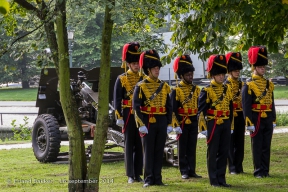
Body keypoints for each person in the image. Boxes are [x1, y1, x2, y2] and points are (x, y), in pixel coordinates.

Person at [132, 49, 173, 187]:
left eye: (158, 68)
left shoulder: (164, 86)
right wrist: (141, 124)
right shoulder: (141, 86)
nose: (157, 70)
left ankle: (158, 178)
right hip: (148, 121)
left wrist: (169, 123)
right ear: (148, 70)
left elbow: (169, 106)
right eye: (154, 68)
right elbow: (136, 107)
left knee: (159, 150)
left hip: (161, 120)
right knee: (148, 151)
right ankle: (149, 179)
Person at [197, 54, 233, 187]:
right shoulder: (206, 90)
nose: (221, 76)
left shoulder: (227, 89)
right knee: (213, 153)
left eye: (223, 74)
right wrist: (203, 127)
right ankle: (213, 180)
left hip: (225, 122)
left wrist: (231, 124)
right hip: (213, 123)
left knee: (224, 152)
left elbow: (231, 108)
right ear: (213, 74)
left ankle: (221, 179)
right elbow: (200, 111)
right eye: (219, 74)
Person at [242, 45, 276, 178]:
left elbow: (271, 103)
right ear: (254, 67)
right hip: (256, 117)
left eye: (264, 67)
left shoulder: (268, 84)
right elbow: (246, 105)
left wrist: (273, 118)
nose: (263, 69)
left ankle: (265, 170)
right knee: (257, 145)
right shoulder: (249, 85)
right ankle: (258, 171)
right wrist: (248, 121)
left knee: (266, 145)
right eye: (261, 67)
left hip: (267, 117)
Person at [113, 42, 143, 183]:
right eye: (134, 63)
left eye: (138, 63)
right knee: (129, 144)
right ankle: (130, 174)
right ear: (129, 64)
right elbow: (117, 99)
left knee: (139, 144)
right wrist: (119, 116)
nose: (137, 66)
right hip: (127, 115)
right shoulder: (122, 79)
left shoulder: (143, 79)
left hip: (140, 116)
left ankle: (138, 173)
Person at [170, 55, 202, 179]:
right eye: (188, 75)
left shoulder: (196, 89)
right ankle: (184, 170)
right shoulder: (176, 90)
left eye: (191, 74)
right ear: (182, 75)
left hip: (193, 119)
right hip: (182, 120)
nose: (191, 77)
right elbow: (173, 110)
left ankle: (192, 170)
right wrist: (176, 125)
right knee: (182, 147)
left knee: (192, 146)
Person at [224, 52, 245, 174]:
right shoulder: (226, 85)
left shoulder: (242, 84)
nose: (237, 72)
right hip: (230, 116)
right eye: (235, 70)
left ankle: (239, 166)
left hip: (240, 115)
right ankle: (232, 167)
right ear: (230, 71)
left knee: (240, 142)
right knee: (230, 142)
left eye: (238, 70)